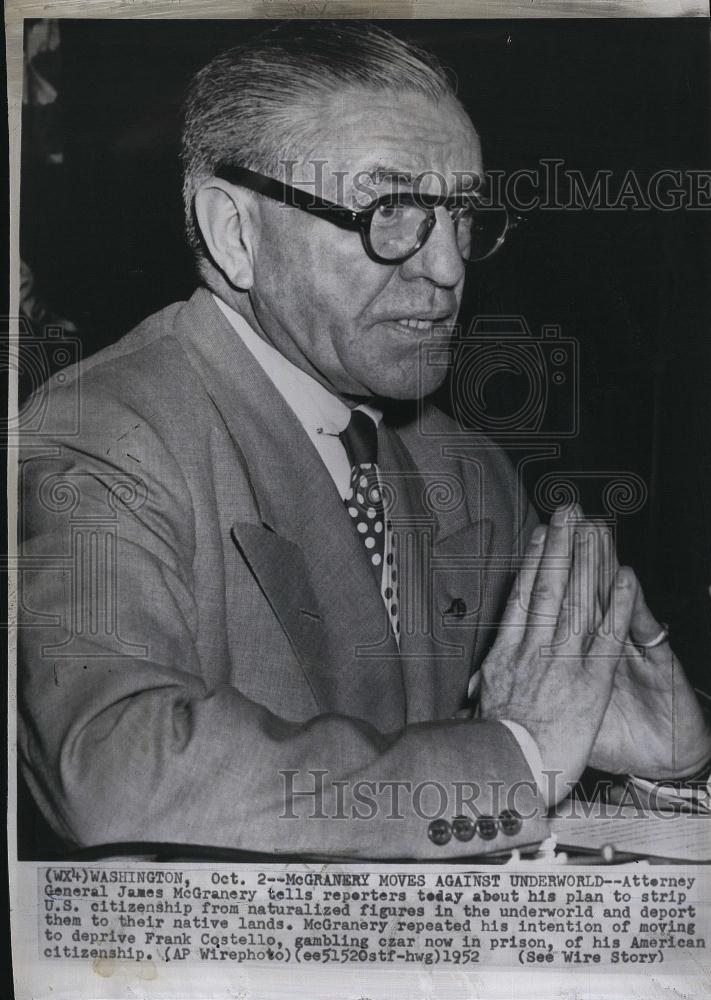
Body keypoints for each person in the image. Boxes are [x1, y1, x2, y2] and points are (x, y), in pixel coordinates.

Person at [18, 22, 711, 859]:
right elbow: (114, 772)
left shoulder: (465, 464)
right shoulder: (98, 435)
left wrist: (654, 772)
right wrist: (516, 754)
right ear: (236, 234)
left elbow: (517, 790)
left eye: (460, 214)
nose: (449, 267)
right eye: (392, 212)